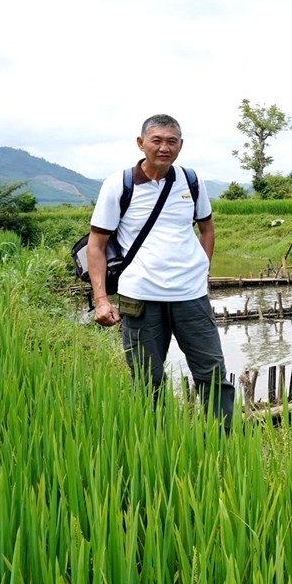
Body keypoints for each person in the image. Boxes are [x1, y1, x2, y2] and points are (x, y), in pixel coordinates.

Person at [87, 114, 234, 431]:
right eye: (157, 140)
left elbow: (206, 229)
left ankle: (223, 446)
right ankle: (157, 444)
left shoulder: (191, 181)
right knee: (146, 377)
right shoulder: (119, 184)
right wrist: (101, 298)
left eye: (172, 141)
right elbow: (96, 245)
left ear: (181, 145)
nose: (164, 147)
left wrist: (202, 274)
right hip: (140, 297)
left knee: (213, 374)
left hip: (191, 297)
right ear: (141, 144)